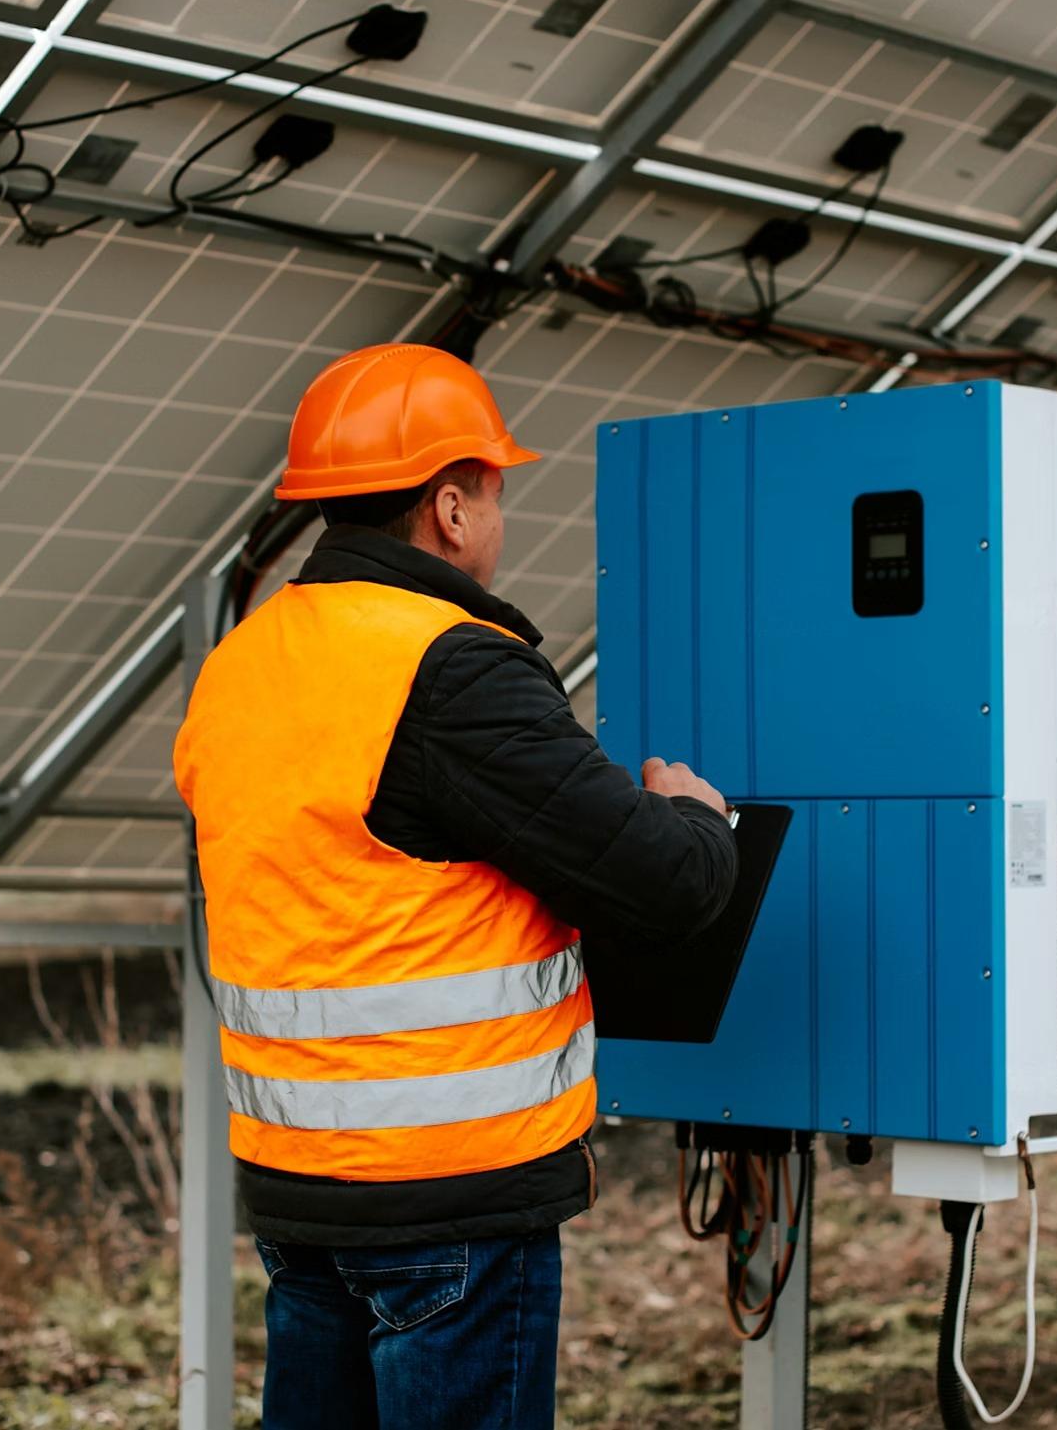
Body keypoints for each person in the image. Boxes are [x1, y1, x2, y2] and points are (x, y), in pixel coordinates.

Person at [174, 342, 738, 1429]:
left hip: (300, 1187)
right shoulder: (447, 665)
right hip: (451, 1204)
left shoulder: (240, 666)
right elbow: (663, 883)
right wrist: (692, 816)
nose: (495, 515)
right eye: (492, 490)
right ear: (448, 508)